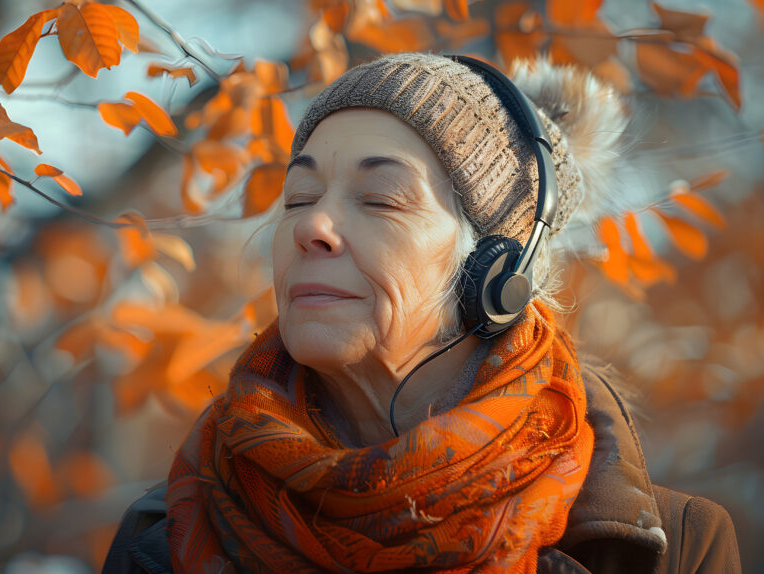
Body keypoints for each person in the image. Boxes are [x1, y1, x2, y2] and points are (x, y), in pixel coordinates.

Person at [103, 52, 741, 573]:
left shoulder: (679, 550)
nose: (312, 226)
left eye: (380, 199)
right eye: (298, 197)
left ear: (496, 269)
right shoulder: (162, 538)